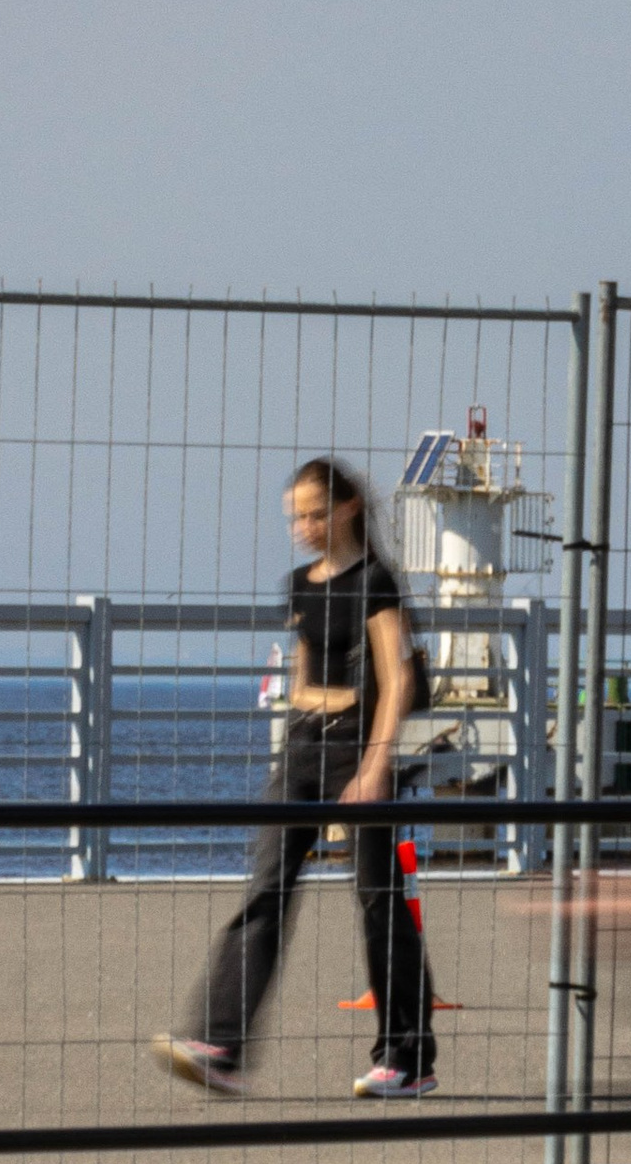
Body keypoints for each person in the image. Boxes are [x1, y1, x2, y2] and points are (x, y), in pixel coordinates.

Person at [153, 457, 439, 1099]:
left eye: (314, 513)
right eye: (295, 516)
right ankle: (219, 1045)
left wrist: (374, 764)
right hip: (306, 751)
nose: (303, 526)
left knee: (378, 898)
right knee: (267, 884)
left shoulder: (375, 581)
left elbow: (400, 682)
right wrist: (336, 700)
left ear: (347, 510)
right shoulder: (302, 586)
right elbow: (304, 686)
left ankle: (407, 1059)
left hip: (365, 752)